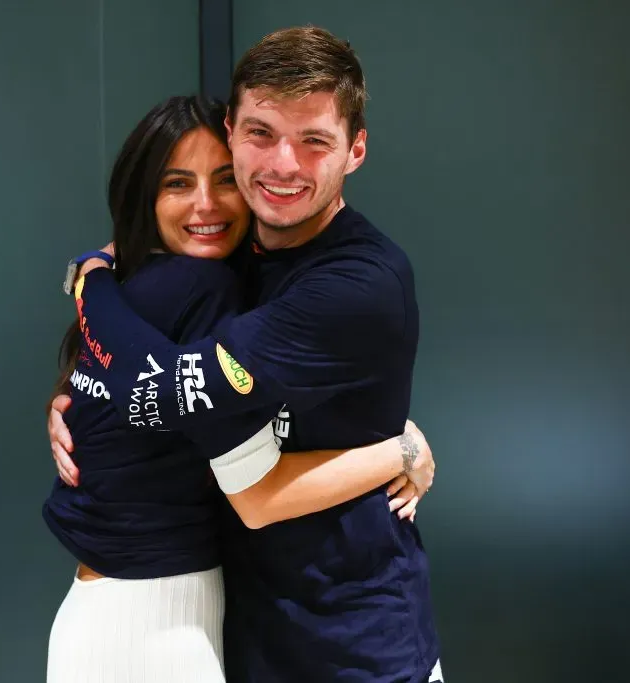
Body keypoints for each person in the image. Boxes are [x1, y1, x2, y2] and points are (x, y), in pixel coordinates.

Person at [43, 94, 435, 683]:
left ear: (355, 148)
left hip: (192, 621)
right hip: (155, 626)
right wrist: (400, 450)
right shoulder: (195, 291)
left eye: (222, 179)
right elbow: (254, 494)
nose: (205, 203)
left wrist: (90, 274)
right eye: (177, 183)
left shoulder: (161, 286)